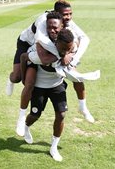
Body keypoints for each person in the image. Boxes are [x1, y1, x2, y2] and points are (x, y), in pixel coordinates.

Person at [8, 0, 95, 136]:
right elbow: (43, 47)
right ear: (58, 14)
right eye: (66, 14)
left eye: (70, 14)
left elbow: (83, 38)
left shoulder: (65, 22)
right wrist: (62, 56)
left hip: (46, 50)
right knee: (18, 77)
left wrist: (73, 56)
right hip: (27, 44)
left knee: (77, 76)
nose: (69, 17)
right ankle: (20, 113)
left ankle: (83, 107)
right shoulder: (44, 21)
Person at [23, 28, 76, 162]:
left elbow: (75, 49)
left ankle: (54, 147)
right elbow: (23, 57)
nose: (65, 51)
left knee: (61, 114)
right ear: (56, 42)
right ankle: (26, 127)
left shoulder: (69, 48)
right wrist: (24, 78)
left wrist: (69, 54)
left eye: (68, 49)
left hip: (57, 86)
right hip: (39, 87)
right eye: (64, 48)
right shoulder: (41, 52)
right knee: (35, 115)